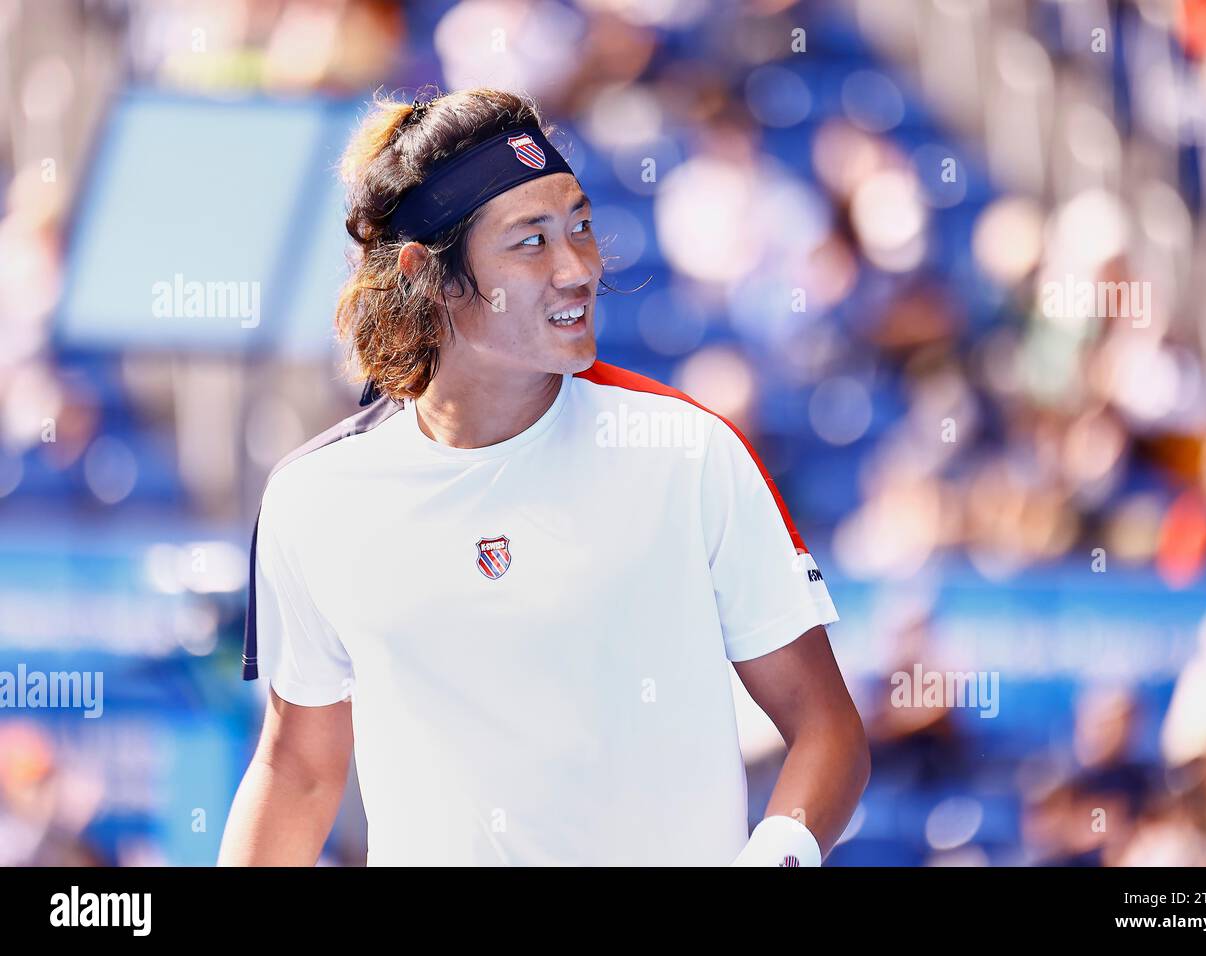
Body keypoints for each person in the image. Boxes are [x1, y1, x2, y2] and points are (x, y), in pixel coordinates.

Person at [218, 87, 869, 866]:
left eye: (582, 227)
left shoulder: (689, 452)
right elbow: (297, 773)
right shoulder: (312, 499)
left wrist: (775, 858)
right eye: (531, 241)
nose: (578, 270)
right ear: (431, 274)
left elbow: (827, 729)